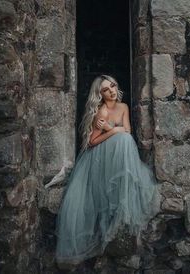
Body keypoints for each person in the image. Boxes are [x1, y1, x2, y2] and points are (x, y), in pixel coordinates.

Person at [54, 74, 161, 267]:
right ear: (100, 94)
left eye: (112, 86)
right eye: (106, 89)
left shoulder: (123, 107)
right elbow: (92, 142)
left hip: (119, 149)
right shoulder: (101, 112)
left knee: (126, 140)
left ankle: (125, 185)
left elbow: (127, 130)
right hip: (99, 154)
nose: (111, 91)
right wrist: (112, 131)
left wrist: (113, 128)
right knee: (123, 139)